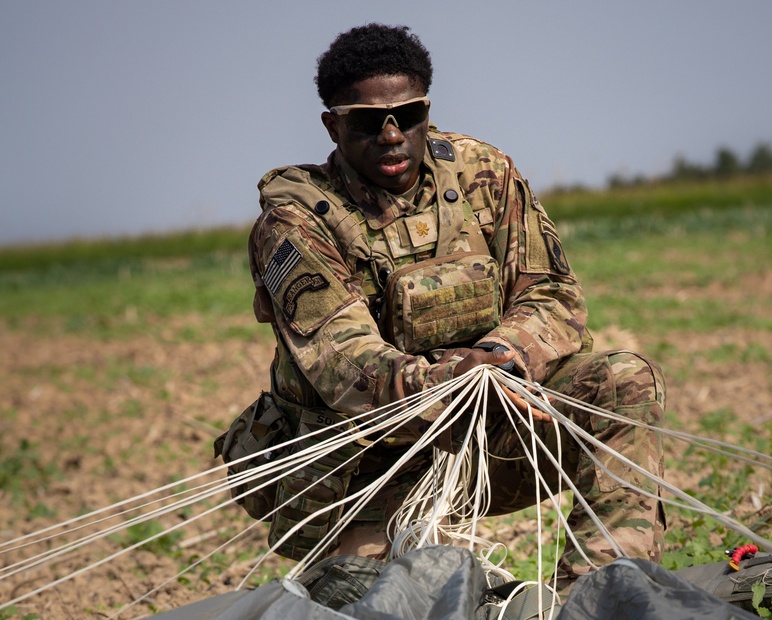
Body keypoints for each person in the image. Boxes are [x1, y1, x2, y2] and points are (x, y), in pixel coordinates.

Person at [244, 22, 666, 581]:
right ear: (333, 125)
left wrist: (500, 355)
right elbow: (344, 363)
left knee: (623, 382)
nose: (392, 136)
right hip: (366, 465)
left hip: (489, 432)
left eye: (408, 116)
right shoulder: (295, 220)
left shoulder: (482, 175)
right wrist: (454, 379)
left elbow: (551, 292)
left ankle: (597, 598)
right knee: (401, 607)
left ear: (426, 111)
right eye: (369, 122)